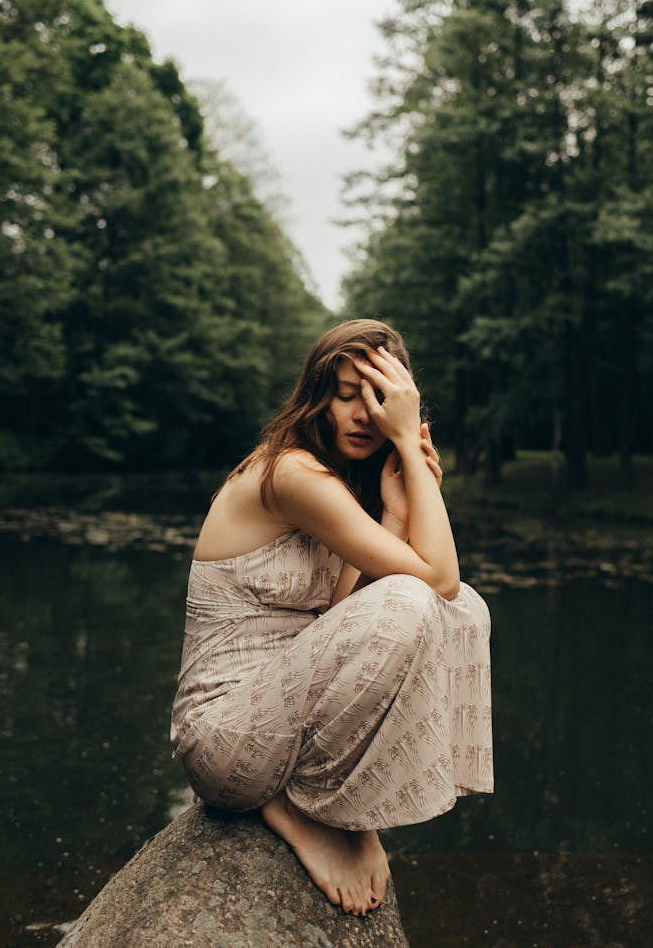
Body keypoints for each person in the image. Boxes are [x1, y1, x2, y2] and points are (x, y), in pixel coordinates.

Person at [170, 319, 493, 918]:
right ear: (317, 397)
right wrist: (415, 457)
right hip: (222, 740)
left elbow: (345, 620)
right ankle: (295, 807)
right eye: (348, 395)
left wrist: (397, 511)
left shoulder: (343, 485)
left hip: (281, 725)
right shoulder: (292, 474)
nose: (364, 414)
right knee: (421, 596)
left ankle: (343, 807)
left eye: (379, 399)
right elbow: (435, 578)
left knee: (463, 609)